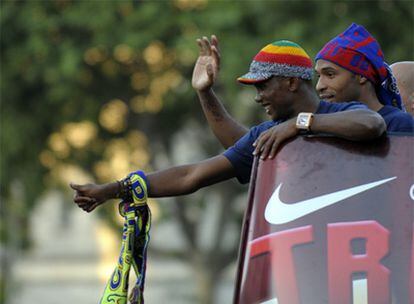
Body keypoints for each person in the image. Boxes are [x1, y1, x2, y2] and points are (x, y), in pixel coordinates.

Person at [71, 39, 385, 211]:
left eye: (263, 87)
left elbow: (372, 124)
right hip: (300, 255)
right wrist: (113, 190)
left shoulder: (344, 111)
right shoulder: (266, 135)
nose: (259, 97)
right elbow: (190, 175)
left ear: (291, 82)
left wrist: (300, 125)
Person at [192, 26, 413, 159]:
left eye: (330, 74)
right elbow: (244, 146)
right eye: (319, 76)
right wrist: (205, 92)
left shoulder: (400, 125)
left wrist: (300, 122)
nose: (320, 86)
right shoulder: (319, 122)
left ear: (362, 75)